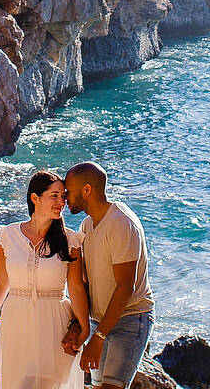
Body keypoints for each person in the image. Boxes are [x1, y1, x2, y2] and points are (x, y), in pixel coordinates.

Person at [0, 171, 91, 389]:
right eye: (54, 196)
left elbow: (76, 288)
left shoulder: (70, 240)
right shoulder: (9, 236)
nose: (61, 202)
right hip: (16, 324)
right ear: (35, 198)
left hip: (55, 325)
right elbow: (1, 283)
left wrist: (84, 329)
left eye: (64, 197)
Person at [64, 162, 155, 389]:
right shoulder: (86, 225)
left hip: (130, 320)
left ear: (87, 190)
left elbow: (126, 286)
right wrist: (78, 324)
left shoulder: (121, 223)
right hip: (100, 321)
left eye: (69, 191)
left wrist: (99, 337)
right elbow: (85, 282)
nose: (65, 197)